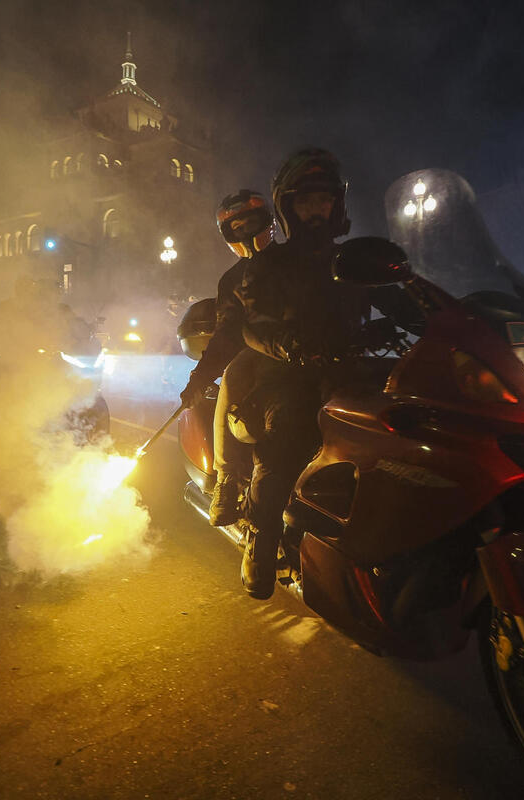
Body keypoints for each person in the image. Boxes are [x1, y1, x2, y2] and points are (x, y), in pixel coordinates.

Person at [233, 148, 368, 598]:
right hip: (288, 376)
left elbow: (399, 298)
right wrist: (288, 345)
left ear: (336, 205)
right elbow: (252, 324)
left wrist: (437, 316)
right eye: (306, 202)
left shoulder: (352, 262)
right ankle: (260, 535)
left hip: (347, 372)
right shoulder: (270, 264)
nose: (316, 210)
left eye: (324, 201)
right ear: (290, 207)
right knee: (285, 438)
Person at [178, 190, 276, 526]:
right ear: (228, 234)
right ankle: (227, 480)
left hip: (308, 353)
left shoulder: (294, 261)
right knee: (232, 379)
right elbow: (226, 333)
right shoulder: (233, 279)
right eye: (238, 225)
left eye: (252, 221)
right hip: (259, 355)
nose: (246, 229)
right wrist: (199, 379)